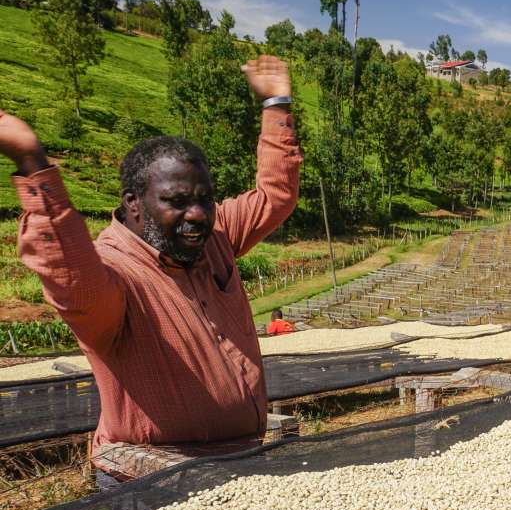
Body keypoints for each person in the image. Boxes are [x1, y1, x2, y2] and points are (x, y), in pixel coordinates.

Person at [0, 55, 301, 485]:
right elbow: (73, 284)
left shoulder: (212, 239)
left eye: (204, 199)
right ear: (133, 204)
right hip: (153, 478)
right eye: (177, 202)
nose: (196, 214)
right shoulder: (115, 271)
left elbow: (275, 197)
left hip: (242, 463)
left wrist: (277, 102)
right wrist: (32, 162)